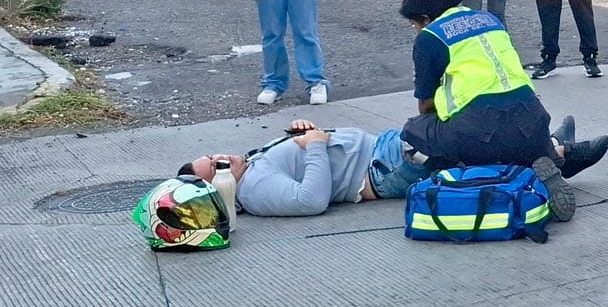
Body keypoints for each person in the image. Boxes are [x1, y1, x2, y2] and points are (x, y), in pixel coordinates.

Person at [399, 0, 608, 221]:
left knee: (412, 133)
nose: (416, 30)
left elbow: (425, 106)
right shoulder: (491, 20)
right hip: (533, 119)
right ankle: (554, 153)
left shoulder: (430, 37)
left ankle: (484, 174)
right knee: (509, 137)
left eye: (415, 24)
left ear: (425, 18)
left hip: (478, 130)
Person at [177, 119, 432, 216]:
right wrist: (315, 145)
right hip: (383, 167)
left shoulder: (250, 169)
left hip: (381, 151)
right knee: (452, 134)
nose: (221, 157)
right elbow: (310, 201)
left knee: (456, 132)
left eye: (212, 156)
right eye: (216, 167)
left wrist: (305, 133)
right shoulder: (254, 189)